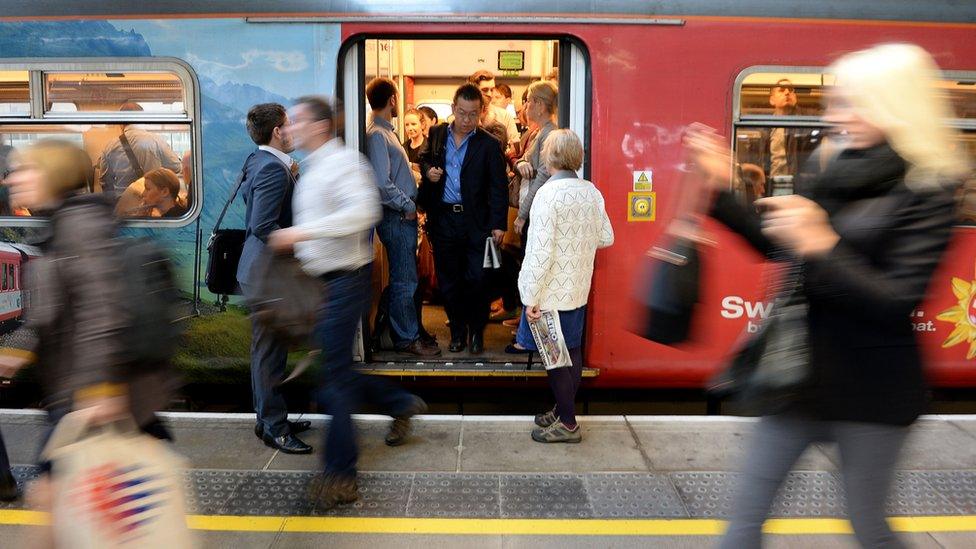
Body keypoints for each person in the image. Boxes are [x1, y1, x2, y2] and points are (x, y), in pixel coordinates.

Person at [685, 43, 970, 549]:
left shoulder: (929, 189)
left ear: (895, 105)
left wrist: (825, 244)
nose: (838, 116)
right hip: (800, 379)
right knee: (743, 525)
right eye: (837, 102)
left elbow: (896, 299)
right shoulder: (832, 163)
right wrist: (722, 192)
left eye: (854, 103)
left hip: (872, 392)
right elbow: (782, 248)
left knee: (868, 526)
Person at [269, 95, 427, 510]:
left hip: (344, 281)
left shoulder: (346, 165)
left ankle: (341, 475)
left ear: (320, 126)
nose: (289, 129)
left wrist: (300, 235)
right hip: (322, 284)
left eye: (297, 121)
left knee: (333, 383)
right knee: (338, 372)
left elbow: (364, 213)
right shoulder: (313, 168)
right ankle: (399, 402)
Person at [0, 140, 177, 508]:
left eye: (25, 170)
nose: (13, 179)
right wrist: (14, 352)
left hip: (85, 394)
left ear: (52, 175)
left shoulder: (76, 227)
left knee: (63, 503)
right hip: (73, 393)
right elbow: (53, 310)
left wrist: (100, 390)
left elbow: (103, 312)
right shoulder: (61, 224)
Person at [516, 129, 613, 443]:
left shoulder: (547, 195)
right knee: (571, 351)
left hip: (549, 294)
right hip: (577, 289)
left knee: (554, 359)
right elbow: (606, 237)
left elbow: (539, 253)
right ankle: (562, 409)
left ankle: (569, 423)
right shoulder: (591, 191)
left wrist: (529, 296)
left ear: (550, 156)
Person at [236, 103, 311, 455]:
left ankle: (266, 419)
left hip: (259, 271)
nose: (293, 129)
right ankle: (275, 428)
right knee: (269, 354)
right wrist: (303, 235)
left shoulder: (262, 161)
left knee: (266, 351)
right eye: (289, 124)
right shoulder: (272, 169)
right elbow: (263, 226)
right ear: (277, 132)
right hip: (267, 274)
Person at [418, 83, 508, 355]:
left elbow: (498, 187)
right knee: (449, 281)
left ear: (481, 112)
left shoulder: (489, 145)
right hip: (444, 219)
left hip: (477, 223)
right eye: (462, 113)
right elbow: (424, 158)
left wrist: (498, 224)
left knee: (478, 279)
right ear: (454, 109)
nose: (467, 120)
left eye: (473, 114)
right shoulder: (435, 134)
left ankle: (477, 331)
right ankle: (457, 332)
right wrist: (429, 171)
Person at [365, 78, 439, 357]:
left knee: (407, 278)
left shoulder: (386, 132)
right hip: (396, 217)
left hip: (401, 216)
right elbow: (381, 183)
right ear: (392, 100)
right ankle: (406, 338)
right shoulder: (377, 135)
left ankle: (410, 332)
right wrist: (408, 204)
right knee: (404, 280)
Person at [95, 102, 182, 198]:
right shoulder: (156, 140)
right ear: (143, 118)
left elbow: (104, 182)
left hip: (123, 201)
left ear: (120, 122)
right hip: (152, 200)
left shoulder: (109, 146)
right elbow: (176, 167)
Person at [468, 70, 519, 146]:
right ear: (473, 91)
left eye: (492, 90)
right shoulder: (464, 116)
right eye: (485, 90)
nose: (489, 94)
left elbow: (515, 147)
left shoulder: (504, 116)